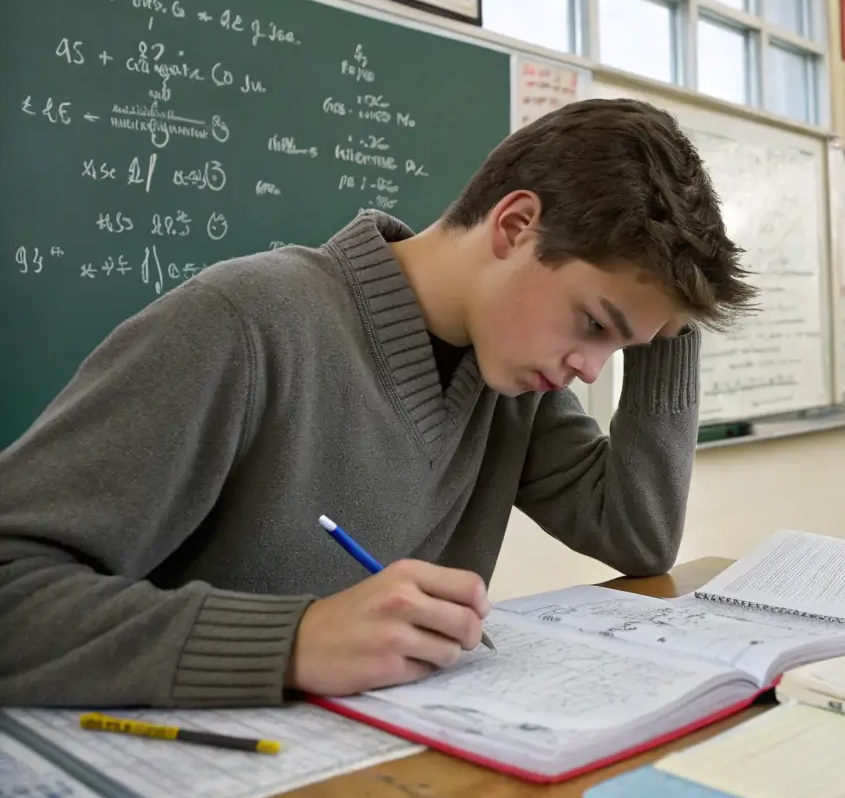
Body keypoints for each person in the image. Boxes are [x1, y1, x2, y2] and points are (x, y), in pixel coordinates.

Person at [0, 98, 757, 708]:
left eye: (619, 347)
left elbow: (637, 536)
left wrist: (671, 321)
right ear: (516, 226)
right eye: (593, 324)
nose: (590, 370)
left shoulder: (509, 378)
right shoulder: (247, 322)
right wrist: (292, 641)